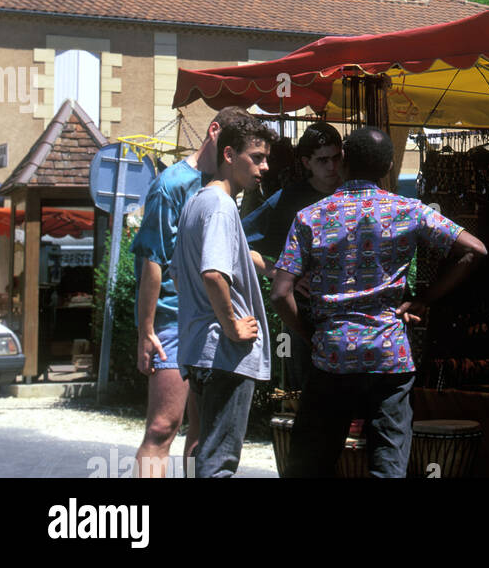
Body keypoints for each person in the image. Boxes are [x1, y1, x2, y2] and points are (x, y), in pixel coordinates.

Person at [272, 126, 487, 478]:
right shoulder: (410, 210)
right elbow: (475, 250)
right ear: (388, 165)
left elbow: (281, 293)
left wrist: (312, 334)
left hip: (332, 355)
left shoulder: (311, 216)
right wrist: (423, 300)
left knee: (310, 465)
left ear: (343, 163)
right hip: (389, 356)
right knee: (387, 466)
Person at [131, 105, 251, 477]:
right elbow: (152, 258)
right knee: (163, 427)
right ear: (214, 133)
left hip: (206, 320)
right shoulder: (172, 184)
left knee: (204, 432)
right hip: (171, 318)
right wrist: (146, 331)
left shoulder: (226, 188)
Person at [173, 114, 277, 479]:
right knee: (219, 466)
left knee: (206, 456)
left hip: (201, 351)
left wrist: (269, 267)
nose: (265, 167)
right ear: (229, 154)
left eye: (266, 158)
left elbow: (184, 272)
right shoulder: (221, 206)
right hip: (224, 354)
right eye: (257, 157)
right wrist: (232, 326)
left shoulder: (197, 202)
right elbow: (213, 273)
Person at [245, 123, 342, 388]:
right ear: (306, 162)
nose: (332, 167)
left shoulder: (355, 193)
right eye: (323, 160)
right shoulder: (287, 199)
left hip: (350, 316)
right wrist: (280, 273)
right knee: (305, 395)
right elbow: (237, 242)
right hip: (304, 315)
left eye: (336, 158)